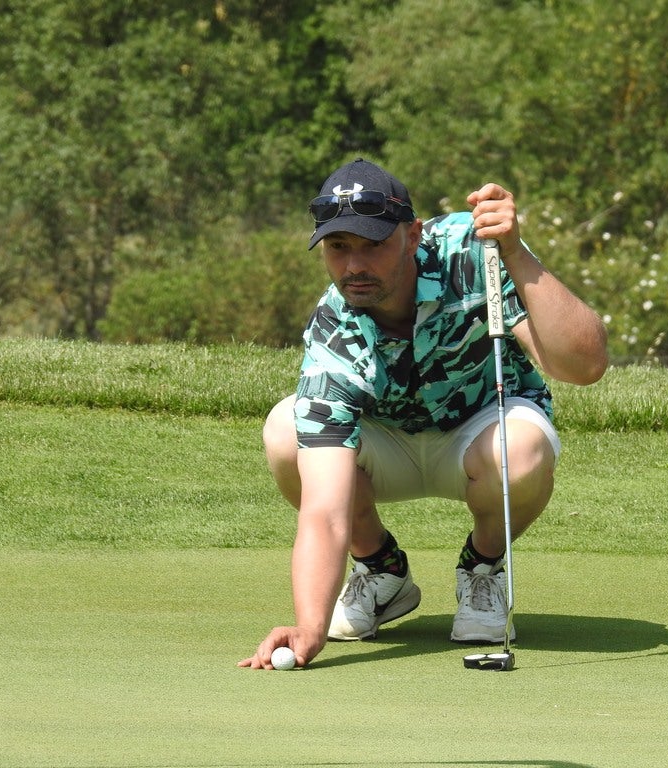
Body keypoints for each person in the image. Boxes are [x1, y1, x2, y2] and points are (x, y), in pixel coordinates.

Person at [239, 158, 608, 670]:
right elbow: (323, 511)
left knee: (521, 451)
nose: (354, 266)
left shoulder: (474, 248)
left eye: (373, 245)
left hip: (483, 429)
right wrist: (309, 625)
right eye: (339, 248)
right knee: (286, 429)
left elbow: (585, 365)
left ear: (412, 236)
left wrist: (516, 252)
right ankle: (381, 573)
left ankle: (482, 570)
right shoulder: (333, 335)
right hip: (386, 444)